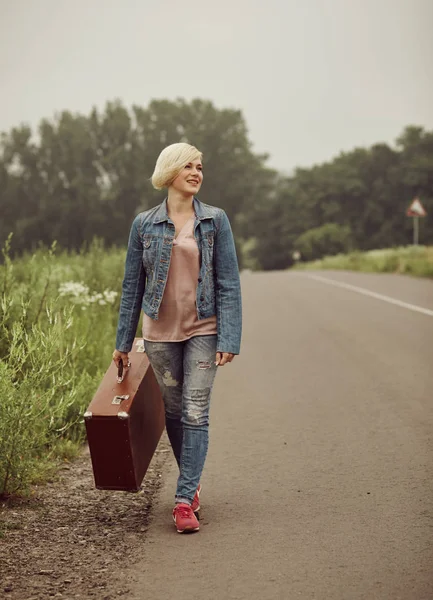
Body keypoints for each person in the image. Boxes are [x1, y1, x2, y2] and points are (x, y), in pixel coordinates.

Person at [112, 142, 242, 533]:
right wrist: (122, 342)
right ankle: (193, 480)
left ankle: (183, 501)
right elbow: (132, 286)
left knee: (196, 410)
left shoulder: (215, 220)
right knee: (174, 412)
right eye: (189, 165)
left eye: (200, 166)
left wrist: (229, 338)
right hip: (160, 333)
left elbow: (228, 283)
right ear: (170, 172)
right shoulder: (144, 224)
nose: (197, 172)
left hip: (204, 327)